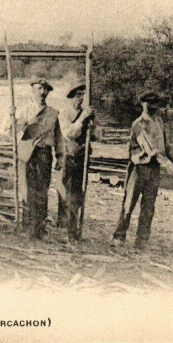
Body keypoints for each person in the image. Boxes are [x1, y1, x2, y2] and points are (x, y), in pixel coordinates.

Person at [111, 91, 173, 251]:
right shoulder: (139, 124)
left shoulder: (159, 121)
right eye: (150, 103)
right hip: (139, 167)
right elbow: (152, 150)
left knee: (149, 207)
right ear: (143, 104)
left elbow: (165, 147)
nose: (154, 106)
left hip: (154, 169)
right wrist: (167, 164)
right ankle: (119, 235)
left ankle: (142, 239)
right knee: (129, 204)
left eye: (156, 103)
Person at [3, 77, 65, 239]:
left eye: (45, 90)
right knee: (26, 190)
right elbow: (10, 131)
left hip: (44, 154)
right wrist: (11, 118)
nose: (42, 93)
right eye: (39, 89)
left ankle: (39, 227)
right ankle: (27, 225)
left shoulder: (52, 114)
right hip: (26, 153)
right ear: (32, 90)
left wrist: (60, 156)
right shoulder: (24, 111)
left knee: (42, 190)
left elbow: (58, 138)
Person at [56, 79, 97, 241]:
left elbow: (97, 135)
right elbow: (69, 134)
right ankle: (67, 226)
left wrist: (93, 126)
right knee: (67, 191)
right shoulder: (65, 113)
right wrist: (82, 119)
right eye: (78, 95)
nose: (80, 99)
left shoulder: (87, 113)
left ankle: (72, 226)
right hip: (68, 156)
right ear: (71, 97)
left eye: (82, 95)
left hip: (82, 156)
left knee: (77, 193)